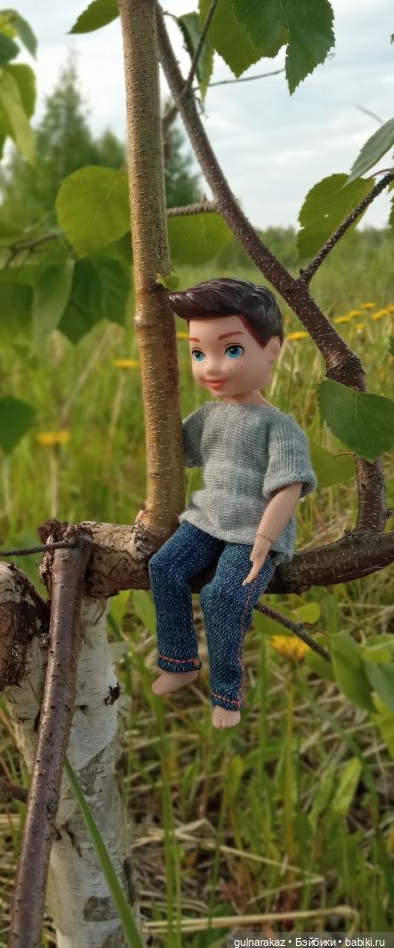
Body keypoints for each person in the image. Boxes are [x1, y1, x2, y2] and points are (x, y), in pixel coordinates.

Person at [148, 278, 316, 729]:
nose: (212, 368)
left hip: (251, 530)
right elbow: (170, 455)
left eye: (232, 350)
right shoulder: (209, 416)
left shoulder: (279, 427)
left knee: (223, 596)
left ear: (272, 349)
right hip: (208, 519)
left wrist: (265, 539)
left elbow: (289, 487)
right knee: (164, 567)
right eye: (198, 354)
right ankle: (179, 661)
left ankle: (226, 694)